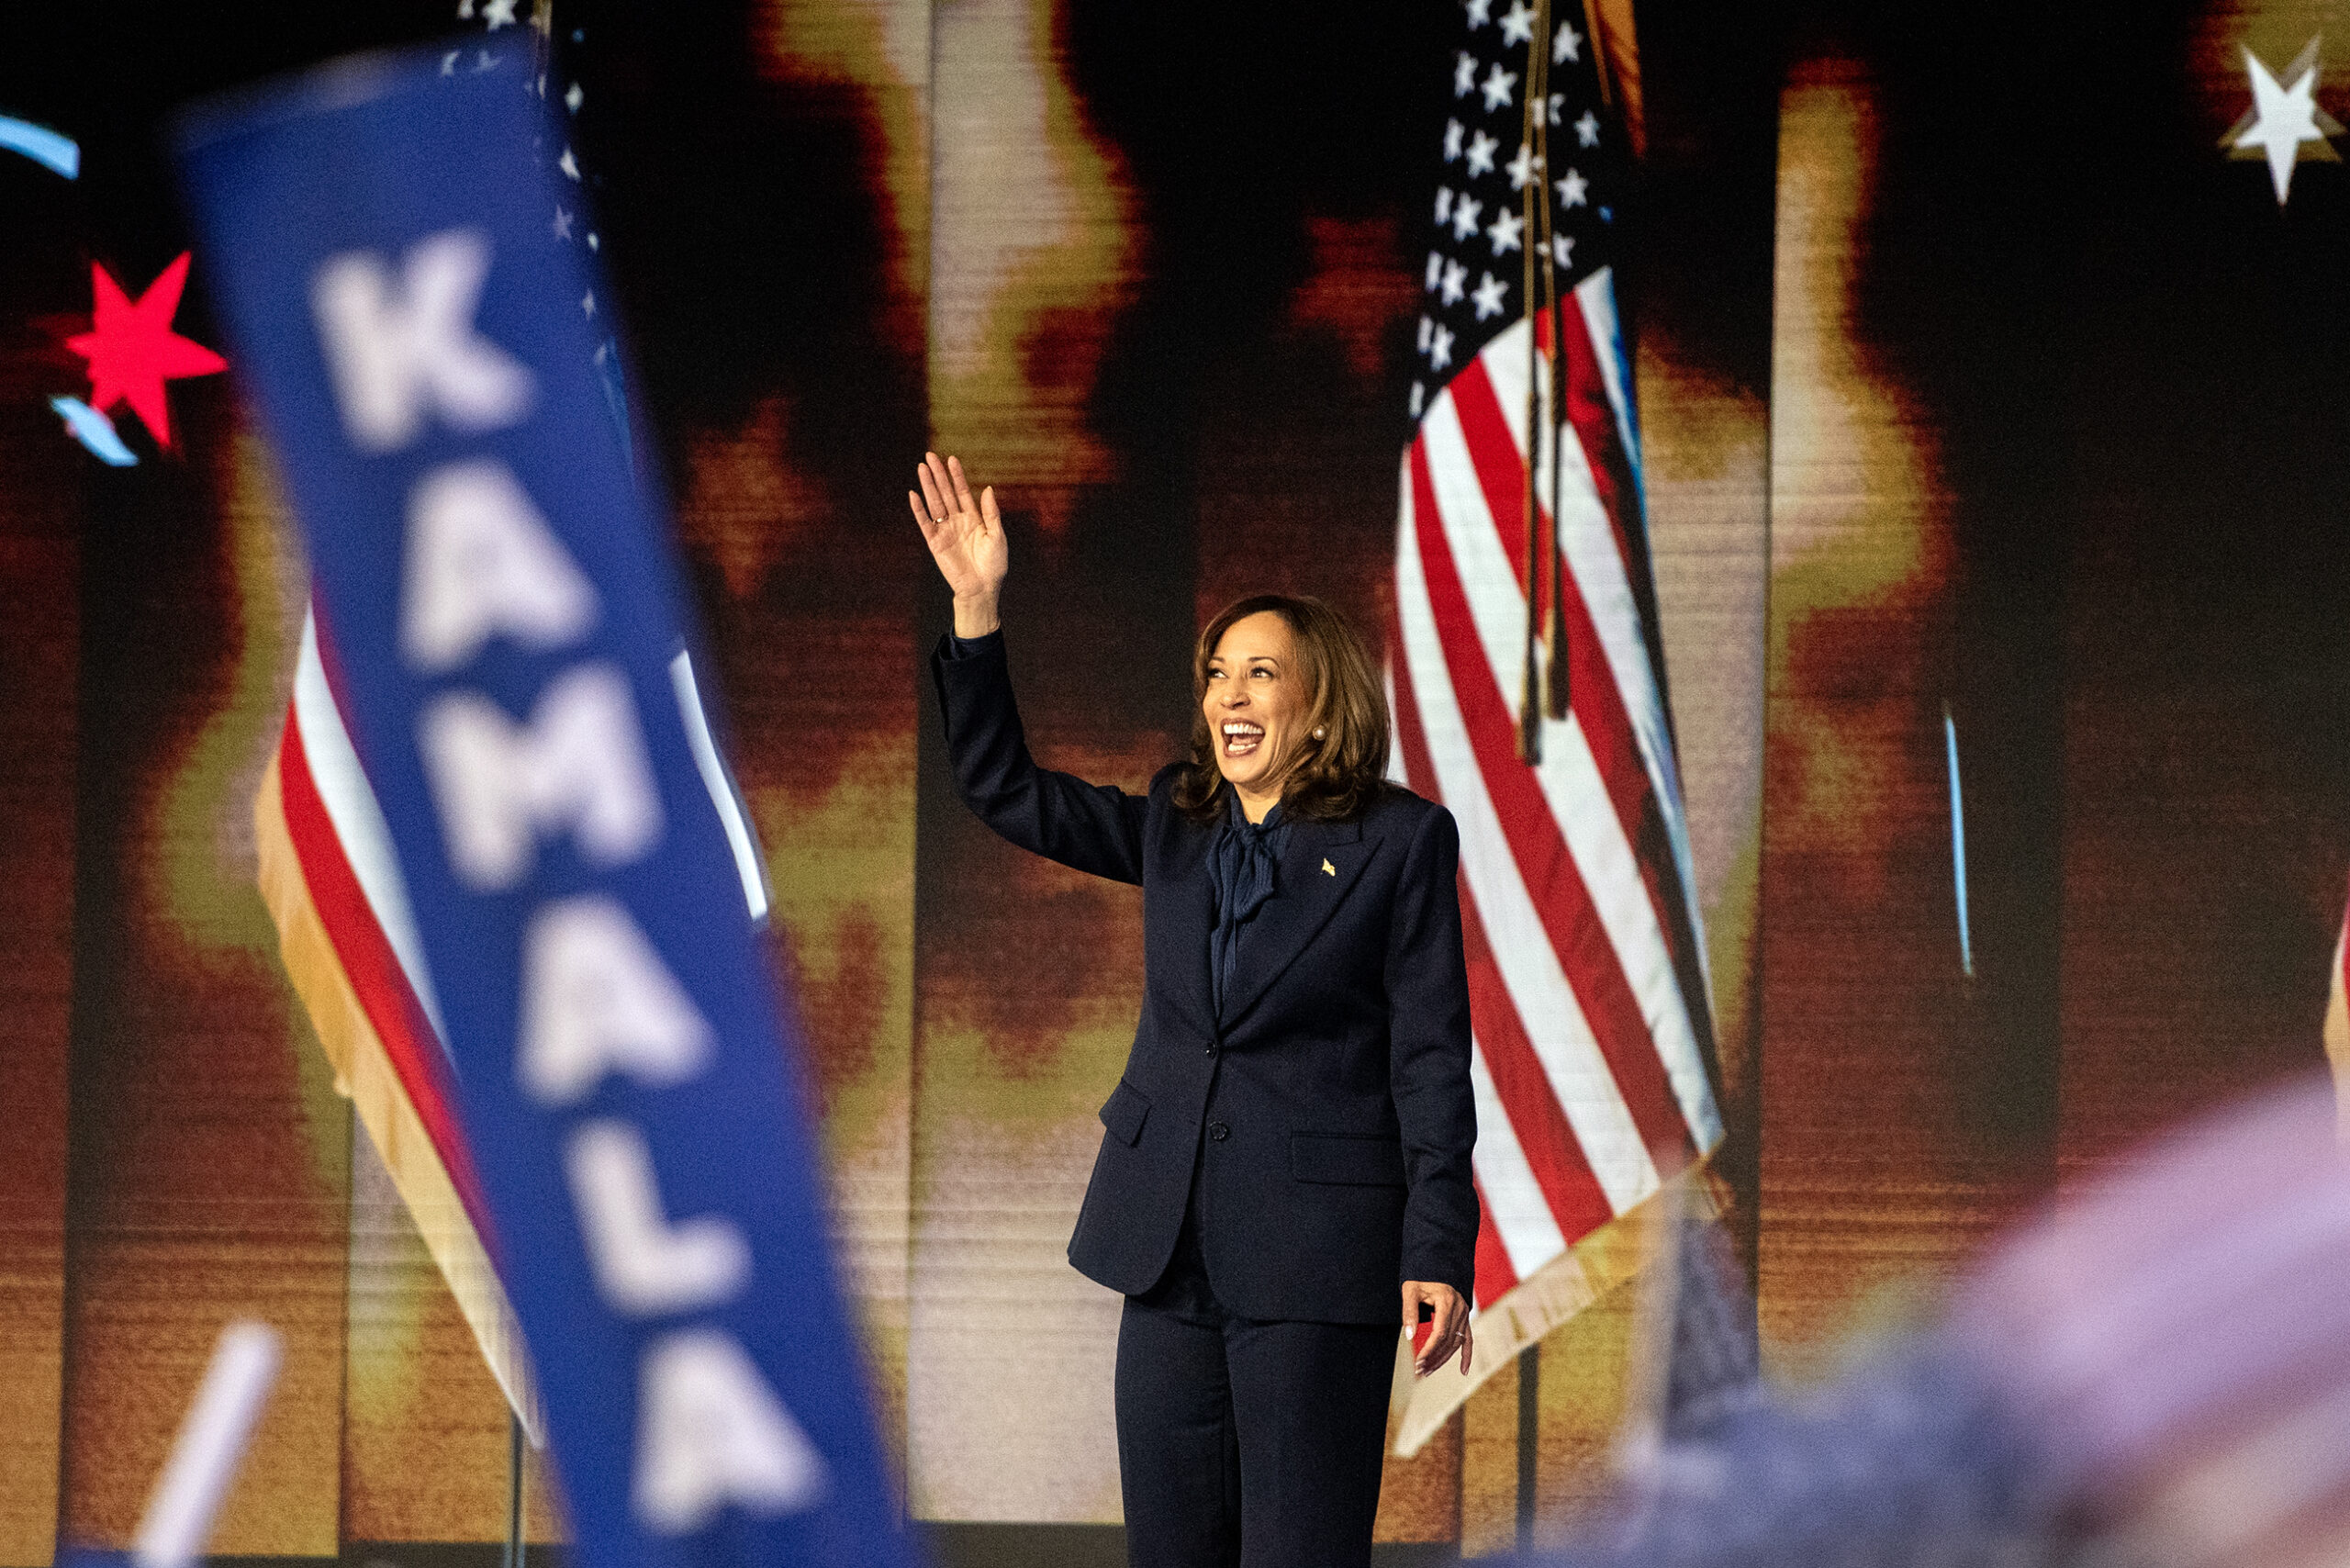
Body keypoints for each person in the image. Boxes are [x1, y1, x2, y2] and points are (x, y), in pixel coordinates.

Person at [910, 452, 1480, 1568]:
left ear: (1319, 703)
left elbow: (1428, 1059)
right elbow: (1006, 790)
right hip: (1164, 1254)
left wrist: (1439, 1246)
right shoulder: (1178, 821)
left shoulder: (1401, 842)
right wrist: (976, 609)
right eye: (1218, 672)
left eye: (1260, 673)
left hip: (1317, 1266)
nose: (1228, 694)